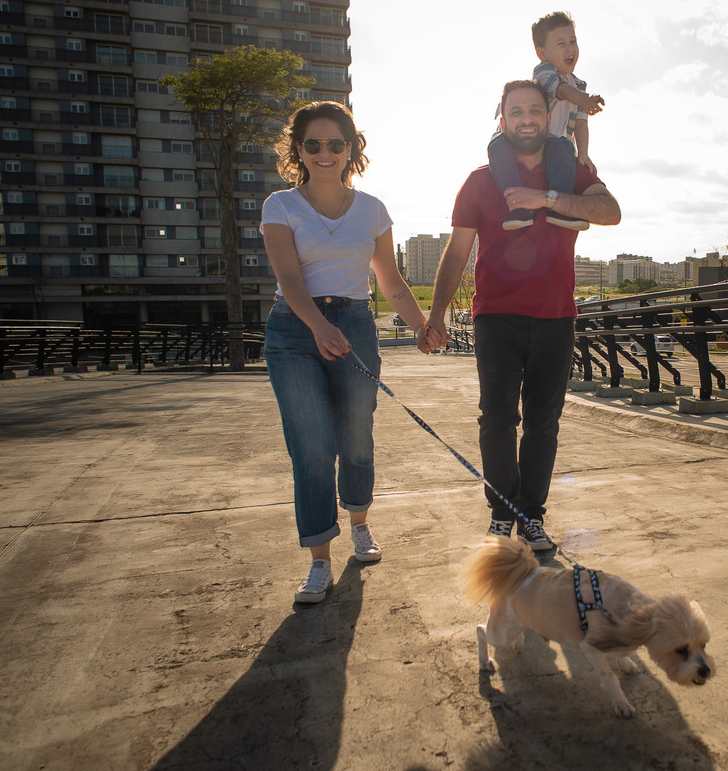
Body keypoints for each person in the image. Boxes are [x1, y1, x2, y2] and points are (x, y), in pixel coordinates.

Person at [423, 80, 621, 550]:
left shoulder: (569, 168)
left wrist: (548, 199)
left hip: (556, 316)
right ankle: (502, 512)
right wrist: (437, 315)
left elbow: (610, 211)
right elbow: (456, 252)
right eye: (517, 112)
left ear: (545, 115)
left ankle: (532, 515)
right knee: (496, 419)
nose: (527, 118)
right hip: (497, 317)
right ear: (502, 119)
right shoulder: (479, 180)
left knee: (543, 423)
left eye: (535, 109)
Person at [260, 101, 429, 604]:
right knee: (311, 445)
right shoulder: (281, 205)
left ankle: (359, 522)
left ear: (351, 149)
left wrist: (422, 326)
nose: (325, 152)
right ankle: (318, 560)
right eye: (314, 144)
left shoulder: (373, 209)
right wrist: (315, 325)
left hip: (354, 321)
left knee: (357, 437)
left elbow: (391, 282)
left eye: (336, 143)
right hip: (295, 329)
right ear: (300, 150)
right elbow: (289, 279)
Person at [488, 11, 605, 231]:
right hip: (518, 138)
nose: (570, 49)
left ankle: (559, 208)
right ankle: (518, 207)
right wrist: (586, 100)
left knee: (564, 147)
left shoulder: (579, 85)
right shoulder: (543, 72)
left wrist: (584, 153)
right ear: (542, 53)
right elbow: (560, 90)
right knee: (497, 147)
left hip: (550, 143)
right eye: (561, 44)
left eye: (573, 41)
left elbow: (581, 122)